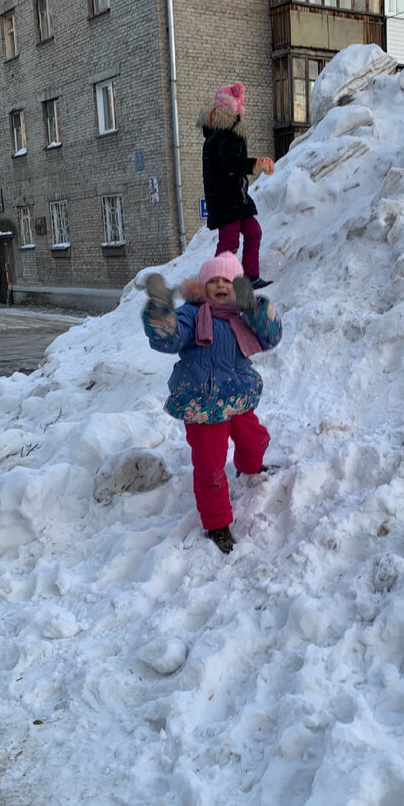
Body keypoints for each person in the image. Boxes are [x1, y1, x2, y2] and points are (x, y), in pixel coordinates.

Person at [141, 253, 282, 554]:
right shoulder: (192, 314)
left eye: (227, 281)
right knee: (210, 466)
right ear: (203, 287)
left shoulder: (242, 316)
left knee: (255, 439)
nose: (219, 285)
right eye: (213, 280)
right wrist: (160, 310)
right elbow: (168, 338)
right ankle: (217, 523)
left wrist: (255, 308)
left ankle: (250, 468)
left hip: (238, 398)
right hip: (203, 405)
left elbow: (271, 337)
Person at [198, 81, 275, 289]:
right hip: (227, 200)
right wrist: (254, 164)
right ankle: (216, 282)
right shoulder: (229, 132)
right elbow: (230, 162)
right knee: (229, 243)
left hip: (234, 198)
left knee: (253, 232)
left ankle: (250, 276)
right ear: (235, 109)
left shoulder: (217, 134)